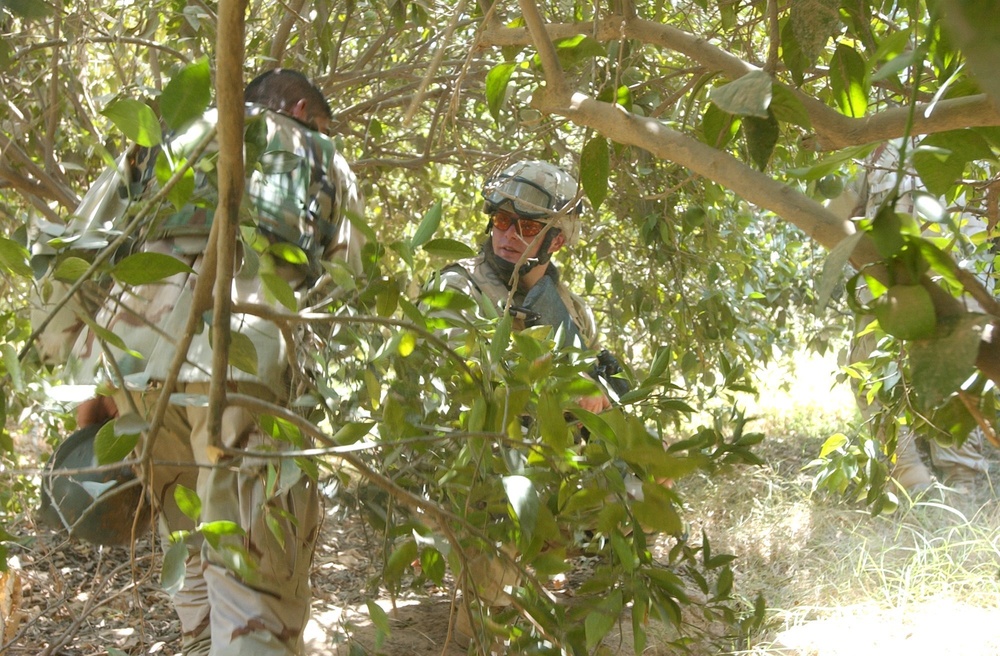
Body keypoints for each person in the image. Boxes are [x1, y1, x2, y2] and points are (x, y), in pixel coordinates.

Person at [32, 69, 365, 655]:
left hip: (138, 362)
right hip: (246, 362)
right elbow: (343, 289)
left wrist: (83, 371)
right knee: (258, 584)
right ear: (305, 112)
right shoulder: (322, 158)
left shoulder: (168, 137)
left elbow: (78, 247)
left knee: (185, 539)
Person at [839, 139, 990, 497]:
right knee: (866, 368)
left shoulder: (978, 140)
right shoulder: (878, 149)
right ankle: (907, 470)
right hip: (887, 290)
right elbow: (834, 216)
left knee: (963, 373)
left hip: (958, 287)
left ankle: (961, 476)